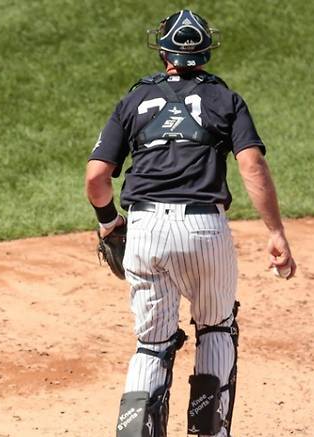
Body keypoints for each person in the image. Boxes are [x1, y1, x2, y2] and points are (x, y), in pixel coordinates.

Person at [84, 10, 296, 437]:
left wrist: (109, 223)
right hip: (204, 230)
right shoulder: (224, 99)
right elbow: (252, 166)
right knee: (216, 328)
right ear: (204, 52)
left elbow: (96, 176)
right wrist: (276, 232)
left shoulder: (134, 100)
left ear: (163, 52)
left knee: (153, 344)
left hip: (144, 229)